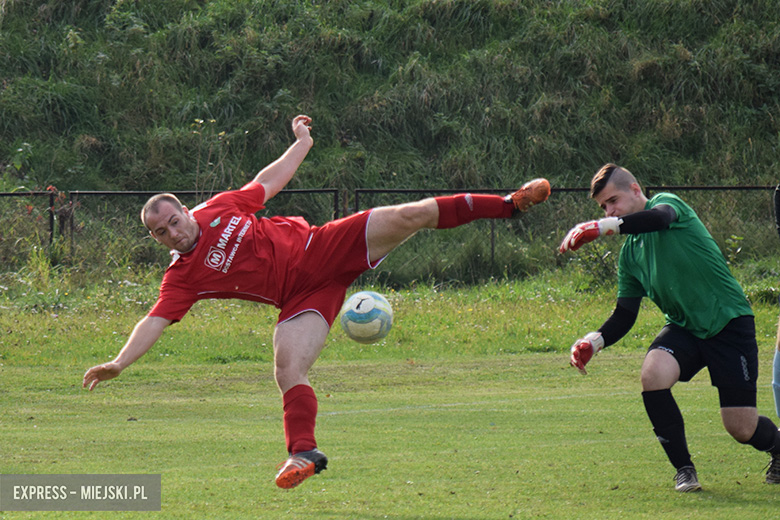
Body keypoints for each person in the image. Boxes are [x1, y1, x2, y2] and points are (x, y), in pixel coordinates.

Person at [82, 114, 551, 489]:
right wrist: (119, 363)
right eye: (161, 232)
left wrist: (302, 144)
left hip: (324, 245)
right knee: (287, 370)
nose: (173, 233)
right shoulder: (182, 277)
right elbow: (154, 320)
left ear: (185, 210)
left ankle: (509, 203)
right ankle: (302, 452)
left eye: (173, 221)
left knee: (414, 213)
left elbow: (267, 182)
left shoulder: (220, 207)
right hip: (303, 296)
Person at [559, 163, 780, 491]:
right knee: (652, 374)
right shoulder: (630, 255)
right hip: (684, 329)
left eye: (613, 200)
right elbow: (624, 315)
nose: (610, 210)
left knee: (740, 427)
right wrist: (595, 341)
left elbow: (658, 219)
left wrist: (600, 227)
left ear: (636, 190)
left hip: (728, 322)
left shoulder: (668, 204)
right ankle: (684, 470)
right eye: (603, 207)